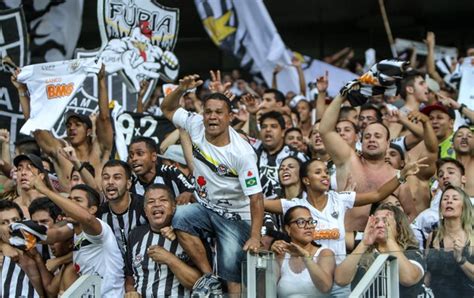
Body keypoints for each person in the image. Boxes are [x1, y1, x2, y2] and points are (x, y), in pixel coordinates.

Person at [161, 74, 264, 295]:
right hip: (207, 208)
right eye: (208, 112)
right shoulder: (195, 124)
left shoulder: (242, 153)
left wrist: (255, 236)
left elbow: (256, 198)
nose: (212, 117)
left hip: (235, 216)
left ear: (230, 117)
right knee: (180, 217)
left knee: (231, 273)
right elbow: (167, 109)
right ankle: (210, 278)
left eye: (219, 112)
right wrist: (181, 90)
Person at [14, 65, 114, 189]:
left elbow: (105, 118)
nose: (72, 128)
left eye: (77, 125)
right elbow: (37, 129)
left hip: (99, 207)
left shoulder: (100, 150)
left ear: (89, 131)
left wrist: (101, 80)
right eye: (68, 125)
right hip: (67, 206)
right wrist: (22, 90)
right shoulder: (61, 152)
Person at [31, 178, 125, 297]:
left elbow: (88, 219)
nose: (71, 204)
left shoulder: (99, 227)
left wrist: (45, 190)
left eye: (78, 200)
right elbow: (54, 235)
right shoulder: (73, 230)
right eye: (69, 200)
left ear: (92, 210)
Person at [125, 184, 200, 297]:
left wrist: (169, 259)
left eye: (163, 200)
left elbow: (200, 283)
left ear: (173, 207)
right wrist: (131, 292)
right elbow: (130, 278)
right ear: (145, 210)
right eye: (151, 202)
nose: (156, 204)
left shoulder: (188, 235)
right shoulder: (135, 235)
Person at [335, 204, 426, 296]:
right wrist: (363, 243)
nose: (379, 225)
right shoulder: (363, 249)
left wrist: (389, 240)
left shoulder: (411, 251)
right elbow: (340, 280)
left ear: (399, 225)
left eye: (386, 221)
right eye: (376, 221)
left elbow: (408, 279)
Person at [272, 206, 335, 297]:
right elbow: (262, 291)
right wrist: (271, 256)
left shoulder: (325, 253)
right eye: (301, 222)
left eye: (310, 221)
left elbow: (325, 287)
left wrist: (306, 257)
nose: (308, 226)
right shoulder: (281, 256)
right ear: (288, 229)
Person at [426, 186, 474, 296]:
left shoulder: (472, 236)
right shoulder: (432, 236)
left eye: (455, 199)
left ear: (464, 206)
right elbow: (428, 273)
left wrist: (461, 260)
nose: (449, 201)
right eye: (445, 198)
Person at [98, 160, 147, 255]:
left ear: (128, 184)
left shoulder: (144, 206)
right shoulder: (100, 213)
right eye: (106, 178)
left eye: (117, 177)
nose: (110, 182)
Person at [255, 111, 307, 199]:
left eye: (273, 126)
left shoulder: (297, 156)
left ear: (283, 132)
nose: (268, 130)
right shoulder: (252, 154)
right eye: (264, 127)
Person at [127, 136, 195, 204]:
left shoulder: (170, 172)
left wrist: (188, 194)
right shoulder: (130, 184)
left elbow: (192, 191)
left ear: (153, 156)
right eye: (131, 156)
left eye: (140, 154)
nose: (134, 159)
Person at [0, 200, 44, 297]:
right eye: (4, 222)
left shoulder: (39, 245)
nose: (12, 226)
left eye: (15, 220)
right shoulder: (2, 258)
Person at [453, 125, 474, 196]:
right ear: (452, 145)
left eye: (469, 136)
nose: (464, 138)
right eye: (459, 135)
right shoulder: (444, 167)